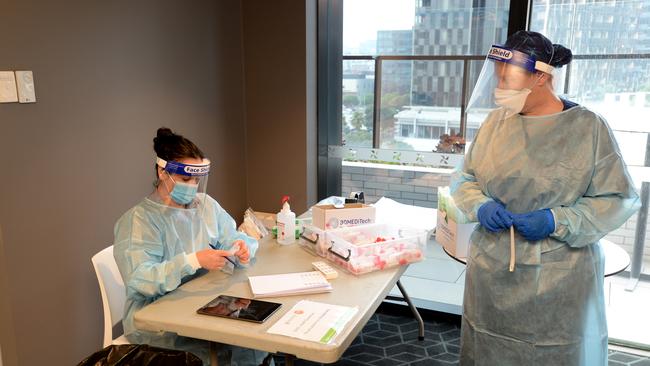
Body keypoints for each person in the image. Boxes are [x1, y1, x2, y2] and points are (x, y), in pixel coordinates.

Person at [451, 31, 640, 365]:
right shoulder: (495, 124)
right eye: (498, 78)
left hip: (560, 276)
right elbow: (465, 179)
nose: (500, 89)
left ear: (540, 76)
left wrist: (556, 219)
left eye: (507, 79)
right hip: (493, 273)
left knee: (556, 352)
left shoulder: (588, 129)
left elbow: (617, 198)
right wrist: (480, 205)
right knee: (489, 347)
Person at [113, 127, 265, 365]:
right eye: (186, 179)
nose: (193, 186)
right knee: (231, 349)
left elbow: (231, 235)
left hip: (204, 304)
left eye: (197, 179)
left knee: (254, 341)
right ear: (163, 172)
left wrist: (241, 246)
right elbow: (140, 279)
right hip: (159, 325)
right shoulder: (139, 221)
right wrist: (193, 261)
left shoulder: (204, 205)